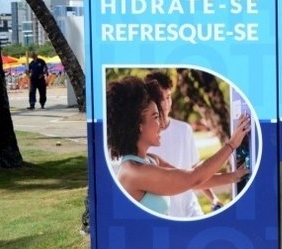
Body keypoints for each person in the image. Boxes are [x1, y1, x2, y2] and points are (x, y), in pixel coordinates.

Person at [106, 76, 251, 216]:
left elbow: (192, 179)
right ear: (139, 126)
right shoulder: (133, 172)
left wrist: (233, 177)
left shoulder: (150, 160)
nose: (161, 124)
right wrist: (232, 144)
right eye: (156, 117)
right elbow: (194, 177)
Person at [145, 71, 223, 217]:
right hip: (164, 213)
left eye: (169, 97)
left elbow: (195, 171)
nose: (166, 104)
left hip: (190, 209)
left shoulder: (184, 130)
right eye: (162, 99)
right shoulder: (145, 138)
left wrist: (213, 197)